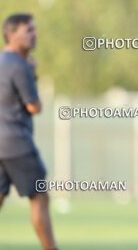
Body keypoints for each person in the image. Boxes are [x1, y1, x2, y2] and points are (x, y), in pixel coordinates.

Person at [0, 13, 57, 250]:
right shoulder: (20, 65)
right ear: (11, 34)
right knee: (39, 198)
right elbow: (34, 106)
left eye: (34, 29)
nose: (35, 35)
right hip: (16, 143)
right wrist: (32, 73)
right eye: (28, 30)